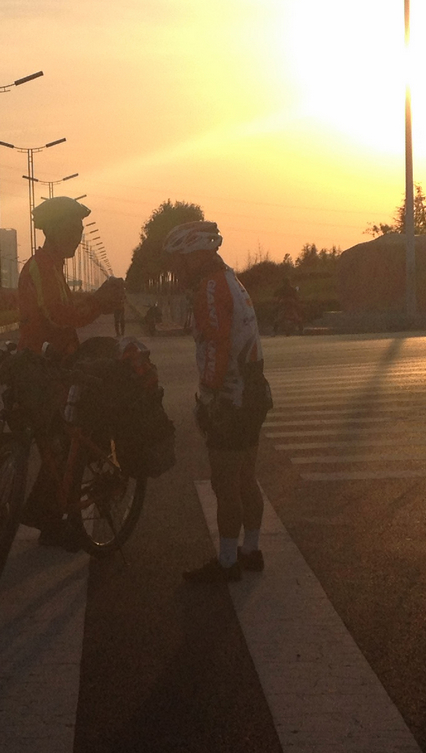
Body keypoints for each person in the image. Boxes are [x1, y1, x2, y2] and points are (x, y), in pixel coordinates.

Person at [17, 196, 127, 547]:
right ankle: (49, 516)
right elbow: (56, 316)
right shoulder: (40, 268)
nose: (79, 235)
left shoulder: (54, 268)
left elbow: (64, 312)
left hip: (58, 366)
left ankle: (49, 517)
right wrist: (98, 302)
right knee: (64, 442)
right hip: (43, 370)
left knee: (62, 446)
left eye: (81, 228)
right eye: (74, 228)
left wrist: (96, 301)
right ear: (55, 230)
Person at [165, 219, 271, 583]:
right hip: (253, 393)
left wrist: (208, 399)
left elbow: (216, 346)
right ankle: (251, 550)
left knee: (225, 484)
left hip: (231, 397)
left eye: (178, 260)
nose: (174, 269)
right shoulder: (231, 280)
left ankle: (227, 563)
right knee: (246, 478)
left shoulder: (209, 288)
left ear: (195, 257)